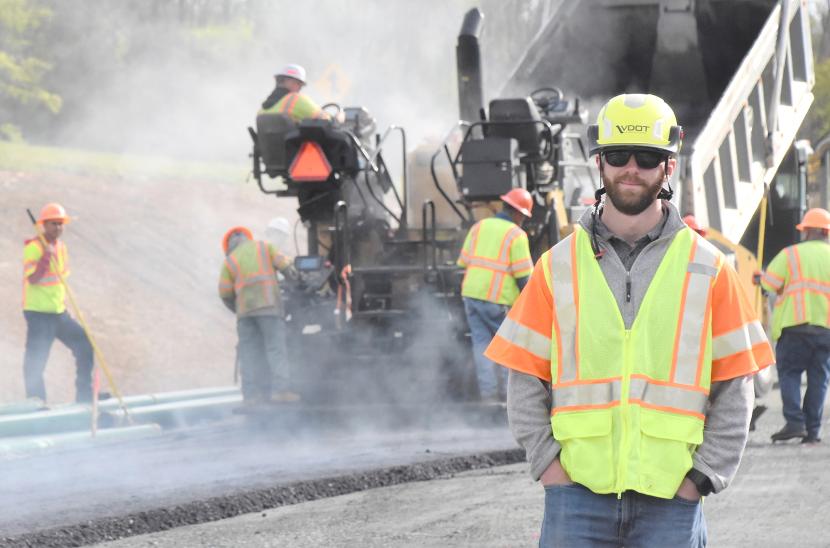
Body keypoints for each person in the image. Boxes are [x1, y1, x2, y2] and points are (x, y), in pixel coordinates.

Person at [485, 94, 774, 547]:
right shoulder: (555, 267)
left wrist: (699, 479)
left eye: (648, 157)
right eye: (618, 155)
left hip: (672, 500)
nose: (632, 168)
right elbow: (524, 376)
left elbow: (736, 385)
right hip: (576, 498)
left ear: (669, 167)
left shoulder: (711, 268)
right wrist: (550, 469)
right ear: (599, 163)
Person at [760, 208, 830, 444]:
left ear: (807, 231)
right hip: (826, 330)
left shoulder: (790, 255)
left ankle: (794, 422)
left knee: (789, 374)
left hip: (794, 326)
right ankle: (813, 430)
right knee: (819, 379)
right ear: (826, 232)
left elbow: (769, 284)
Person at [457, 189, 534, 401]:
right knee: (506, 348)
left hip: (471, 296)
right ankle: (507, 396)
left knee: (481, 346)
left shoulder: (479, 227)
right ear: (519, 214)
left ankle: (488, 397)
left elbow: (463, 262)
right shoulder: (516, 235)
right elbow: (524, 278)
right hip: (497, 300)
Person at [218, 226, 298, 407]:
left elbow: (224, 293)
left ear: (229, 246)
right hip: (269, 307)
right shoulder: (264, 247)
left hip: (245, 315)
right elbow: (287, 267)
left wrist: (237, 308)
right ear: (247, 237)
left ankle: (251, 397)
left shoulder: (230, 261)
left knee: (249, 354)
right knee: (275, 349)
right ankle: (280, 391)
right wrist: (297, 282)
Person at [22, 203, 94, 403]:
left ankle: (84, 396)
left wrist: (63, 304)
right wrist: (45, 259)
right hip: (38, 315)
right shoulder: (33, 247)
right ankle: (36, 405)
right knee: (35, 364)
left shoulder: (61, 248)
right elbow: (33, 279)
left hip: (59, 313)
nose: (58, 228)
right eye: (54, 224)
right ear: (43, 225)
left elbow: (59, 280)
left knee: (85, 345)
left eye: (61, 224)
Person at [259, 63, 329, 122]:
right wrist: (338, 118)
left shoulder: (262, 110)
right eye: (299, 83)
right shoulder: (296, 99)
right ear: (288, 81)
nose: (300, 88)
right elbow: (326, 120)